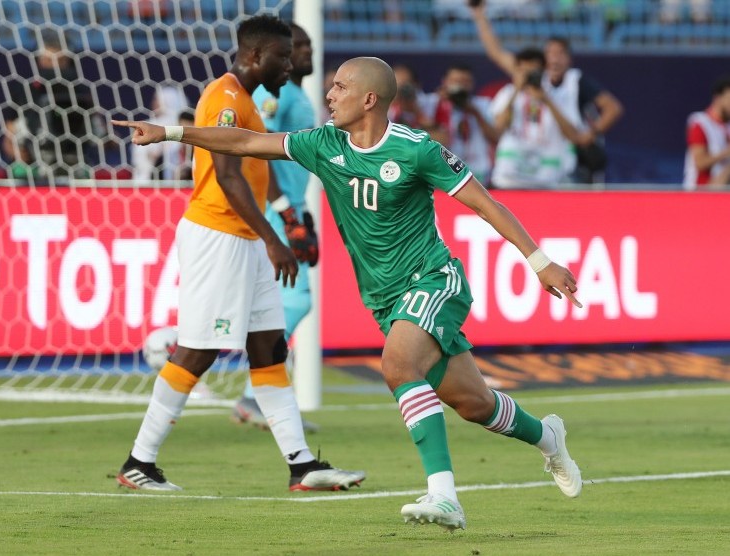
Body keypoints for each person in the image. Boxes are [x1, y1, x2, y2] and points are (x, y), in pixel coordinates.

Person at [113, 56, 583, 531]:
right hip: (383, 298)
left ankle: (444, 497)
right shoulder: (323, 144)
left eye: (339, 87)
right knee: (474, 403)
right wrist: (172, 133)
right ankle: (548, 437)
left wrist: (540, 262)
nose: (330, 95)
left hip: (434, 279)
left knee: (398, 366)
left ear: (369, 99)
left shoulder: (417, 149)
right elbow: (246, 141)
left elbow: (487, 204)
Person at [113, 15, 364, 493]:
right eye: (282, 56)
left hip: (246, 238)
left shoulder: (246, 100)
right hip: (219, 236)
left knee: (268, 346)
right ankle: (138, 462)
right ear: (253, 56)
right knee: (200, 348)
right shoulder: (225, 98)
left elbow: (256, 164)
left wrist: (284, 217)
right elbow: (228, 176)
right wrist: (274, 239)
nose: (289, 66)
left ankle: (302, 466)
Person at [232, 22, 320, 431]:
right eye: (296, 47)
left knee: (275, 300)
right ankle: (257, 394)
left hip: (291, 209)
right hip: (276, 213)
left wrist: (303, 215)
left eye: (307, 46)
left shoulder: (298, 94)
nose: (304, 52)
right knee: (294, 300)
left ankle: (261, 397)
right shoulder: (272, 94)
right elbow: (261, 153)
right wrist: (286, 212)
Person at [470, 3, 623, 185]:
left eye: (560, 54)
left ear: (568, 58)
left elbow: (611, 109)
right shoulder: (518, 84)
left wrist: (590, 134)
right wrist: (480, 16)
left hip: (552, 174)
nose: (554, 59)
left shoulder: (568, 86)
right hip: (512, 175)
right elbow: (497, 52)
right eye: (549, 53)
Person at [1, 28, 107, 186]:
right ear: (40, 60)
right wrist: (18, 153)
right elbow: (9, 136)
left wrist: (106, 137)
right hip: (33, 162)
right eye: (49, 61)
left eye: (61, 61)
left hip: (73, 162)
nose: (55, 66)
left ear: (69, 61)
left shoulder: (81, 92)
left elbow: (102, 134)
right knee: (17, 173)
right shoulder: (24, 91)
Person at [489, 47, 586, 189]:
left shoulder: (560, 95)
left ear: (544, 71)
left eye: (533, 71)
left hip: (547, 180)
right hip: (509, 178)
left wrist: (547, 101)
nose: (528, 76)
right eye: (523, 71)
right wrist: (516, 90)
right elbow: (498, 129)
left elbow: (573, 136)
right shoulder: (507, 93)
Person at [429, 62, 500, 185]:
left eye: (465, 81)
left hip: (479, 178)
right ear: (444, 82)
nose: (460, 86)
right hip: (445, 177)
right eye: (456, 81)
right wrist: (443, 105)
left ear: (472, 83)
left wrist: (475, 113)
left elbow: (495, 138)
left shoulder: (484, 105)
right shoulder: (432, 104)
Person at [131, 85, 193, 184]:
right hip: (148, 179)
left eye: (157, 99)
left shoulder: (180, 126)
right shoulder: (148, 124)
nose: (154, 103)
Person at [684, 74, 730, 190]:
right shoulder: (700, 122)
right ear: (718, 98)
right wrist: (726, 152)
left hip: (721, 191)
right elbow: (700, 162)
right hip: (699, 194)